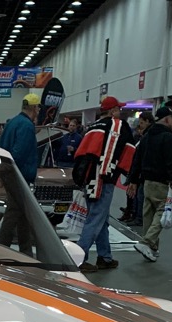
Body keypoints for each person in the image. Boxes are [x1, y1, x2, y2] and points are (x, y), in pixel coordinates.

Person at [74, 95, 134, 271]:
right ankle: (79, 258)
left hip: (88, 177)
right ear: (113, 110)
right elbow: (129, 151)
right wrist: (129, 175)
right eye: (118, 109)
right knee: (95, 218)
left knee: (101, 217)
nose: (120, 112)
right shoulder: (117, 126)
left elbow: (81, 153)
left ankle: (105, 257)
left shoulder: (93, 127)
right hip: (103, 178)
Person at [129, 105, 172, 261]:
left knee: (148, 214)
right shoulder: (168, 137)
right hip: (161, 181)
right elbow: (171, 163)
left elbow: (137, 159)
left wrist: (133, 180)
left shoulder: (146, 136)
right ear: (166, 119)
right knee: (162, 211)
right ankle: (146, 242)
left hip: (146, 181)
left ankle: (151, 247)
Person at [0, 92, 40, 257]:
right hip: (19, 175)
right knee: (14, 212)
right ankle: (1, 250)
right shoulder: (27, 126)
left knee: (23, 214)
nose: (38, 111)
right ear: (34, 108)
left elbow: (2, 147)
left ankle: (26, 251)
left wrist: (0, 173)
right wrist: (9, 172)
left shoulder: (12, 122)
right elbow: (19, 153)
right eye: (38, 108)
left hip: (9, 173)